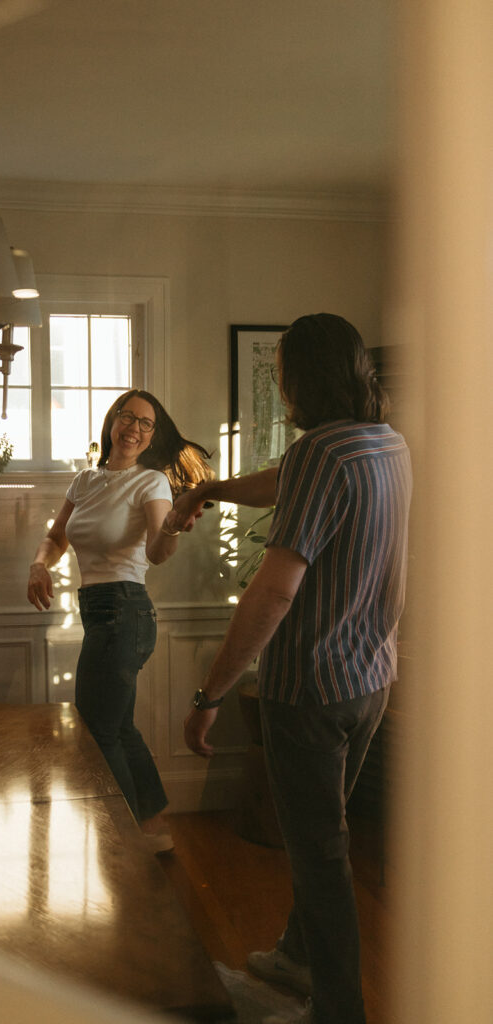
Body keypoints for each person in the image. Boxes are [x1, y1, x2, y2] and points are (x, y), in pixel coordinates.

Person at [168, 314, 412, 1024]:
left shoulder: (318, 452)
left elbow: (273, 591)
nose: (278, 383)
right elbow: (284, 482)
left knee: (319, 858)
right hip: (372, 679)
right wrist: (207, 490)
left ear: (297, 377)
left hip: (308, 688)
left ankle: (335, 1009)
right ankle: (297, 957)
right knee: (326, 833)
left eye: (280, 370)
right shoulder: (382, 444)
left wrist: (207, 693)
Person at [27, 389, 213, 853]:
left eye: (146, 423)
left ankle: (126, 835)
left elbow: (155, 551)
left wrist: (171, 527)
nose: (134, 428)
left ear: (152, 437)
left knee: (97, 727)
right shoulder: (85, 480)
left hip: (125, 610)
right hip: (100, 612)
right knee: (119, 726)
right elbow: (56, 536)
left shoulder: (150, 483)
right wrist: (38, 565)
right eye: (127, 417)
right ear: (112, 422)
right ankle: (151, 824)